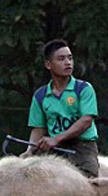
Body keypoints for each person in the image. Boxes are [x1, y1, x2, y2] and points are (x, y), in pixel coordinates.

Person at [21, 39, 100, 177]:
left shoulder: (83, 88)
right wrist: (30, 150)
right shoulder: (40, 95)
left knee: (88, 182)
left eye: (70, 58)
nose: (68, 62)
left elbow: (86, 121)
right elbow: (38, 129)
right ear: (48, 64)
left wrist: (56, 138)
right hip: (54, 148)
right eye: (61, 59)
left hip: (81, 147)